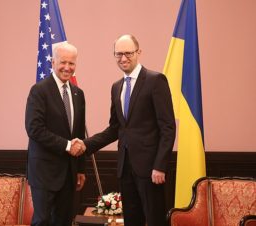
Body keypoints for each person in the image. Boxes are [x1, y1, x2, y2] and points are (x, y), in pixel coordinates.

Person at [80, 34, 176, 226]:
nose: (123, 58)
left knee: (155, 219)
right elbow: (116, 128)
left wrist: (160, 165)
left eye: (128, 53)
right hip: (125, 168)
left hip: (151, 170)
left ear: (138, 52)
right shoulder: (116, 87)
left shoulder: (156, 80)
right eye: (118, 54)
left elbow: (168, 127)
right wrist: (85, 145)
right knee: (132, 220)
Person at [25, 42, 86, 226]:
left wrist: (81, 169)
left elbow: (79, 133)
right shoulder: (39, 90)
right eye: (63, 62)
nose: (67, 67)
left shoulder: (78, 93)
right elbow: (34, 128)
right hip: (44, 173)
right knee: (42, 221)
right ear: (52, 62)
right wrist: (67, 146)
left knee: (64, 221)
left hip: (69, 173)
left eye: (72, 63)